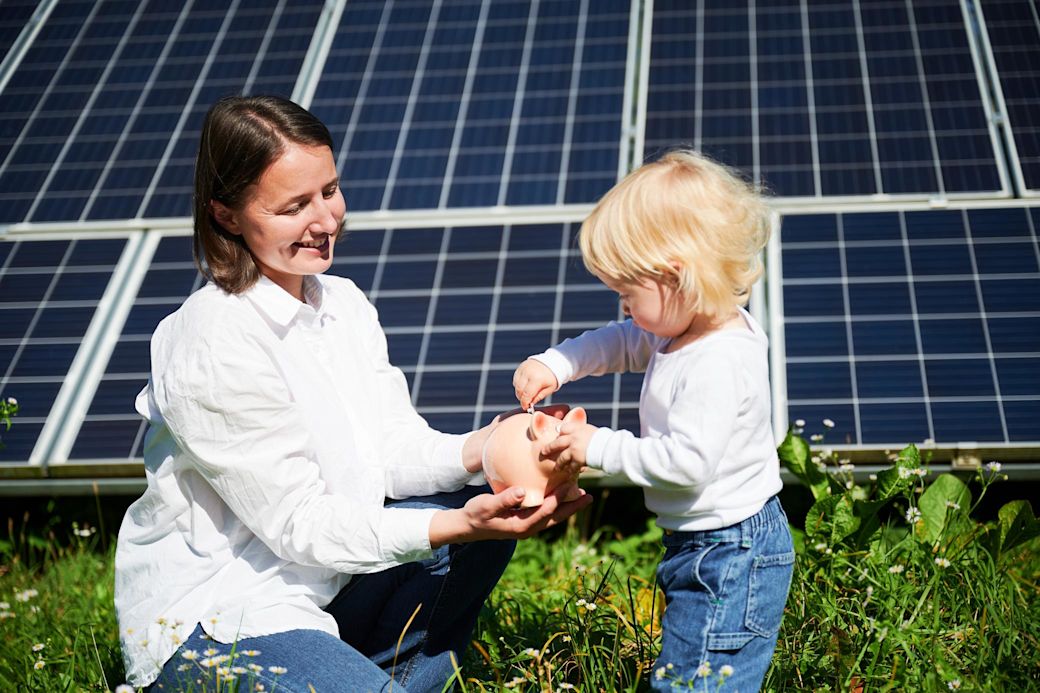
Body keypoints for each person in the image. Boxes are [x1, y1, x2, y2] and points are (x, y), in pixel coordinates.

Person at [114, 95, 591, 693]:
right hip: (224, 617)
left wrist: (492, 447)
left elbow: (388, 450)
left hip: (326, 588)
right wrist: (457, 524)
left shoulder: (341, 304)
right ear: (228, 216)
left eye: (330, 191)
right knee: (460, 525)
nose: (326, 220)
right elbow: (298, 525)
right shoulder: (209, 340)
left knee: (486, 499)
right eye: (294, 207)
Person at [512, 150, 793, 691]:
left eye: (626, 294)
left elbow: (685, 464)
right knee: (690, 668)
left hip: (731, 553)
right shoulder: (686, 328)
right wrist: (558, 362)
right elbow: (622, 341)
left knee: (698, 681)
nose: (622, 308)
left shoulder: (715, 361)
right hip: (707, 543)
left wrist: (595, 446)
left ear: (676, 278)